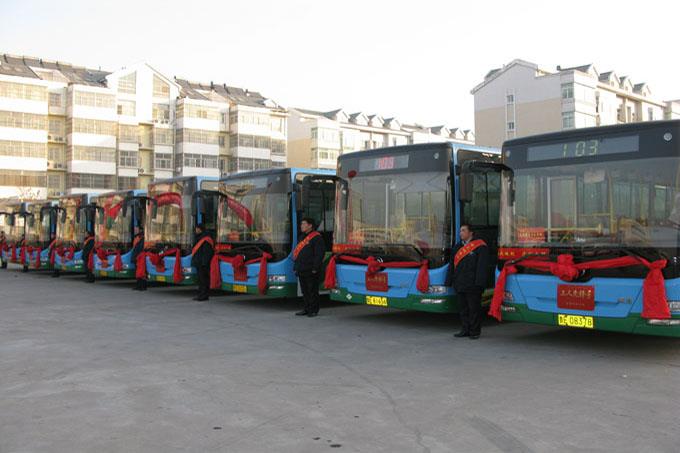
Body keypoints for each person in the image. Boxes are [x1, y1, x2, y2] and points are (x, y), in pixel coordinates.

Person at [446, 224, 489, 340]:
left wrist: (480, 283)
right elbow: (452, 266)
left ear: (471, 233)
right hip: (460, 283)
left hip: (473, 285)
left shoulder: (480, 246)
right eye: (460, 231)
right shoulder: (457, 247)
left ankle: (475, 331)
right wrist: (449, 281)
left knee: (474, 309)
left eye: (463, 230)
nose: (461, 233)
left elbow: (482, 267)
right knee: (463, 309)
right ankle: (465, 329)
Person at [293, 217, 325, 317]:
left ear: (310, 225)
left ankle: (314, 310)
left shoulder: (317, 237)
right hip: (301, 268)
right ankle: (306, 308)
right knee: (304, 291)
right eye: (301, 224)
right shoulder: (302, 237)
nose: (301, 226)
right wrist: (296, 267)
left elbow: (319, 254)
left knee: (312, 290)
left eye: (304, 224)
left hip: (311, 269)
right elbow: (298, 253)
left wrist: (315, 268)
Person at [191, 223, 214, 301]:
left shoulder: (206, 239)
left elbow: (207, 252)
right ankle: (200, 294)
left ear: (200, 229)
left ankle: (204, 295)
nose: (196, 230)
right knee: (200, 280)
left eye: (197, 228)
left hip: (203, 264)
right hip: (199, 263)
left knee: (204, 280)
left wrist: (204, 263)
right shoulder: (199, 237)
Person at [131, 226, 147, 291]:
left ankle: (142, 286)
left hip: (140, 258)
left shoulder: (143, 240)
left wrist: (136, 257)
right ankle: (139, 286)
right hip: (137, 258)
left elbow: (140, 250)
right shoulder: (138, 239)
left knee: (141, 273)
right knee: (138, 273)